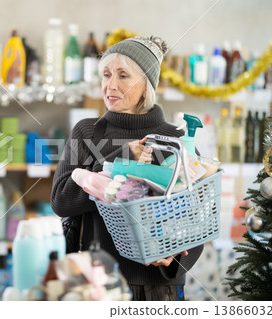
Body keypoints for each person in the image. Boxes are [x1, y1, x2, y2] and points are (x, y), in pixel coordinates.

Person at [51, 35, 203, 301]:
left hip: (157, 288)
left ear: (146, 86)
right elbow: (61, 200)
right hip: (94, 285)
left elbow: (198, 215)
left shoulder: (175, 139)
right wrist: (119, 158)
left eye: (123, 76)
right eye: (106, 74)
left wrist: (174, 255)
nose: (110, 84)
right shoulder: (88, 132)